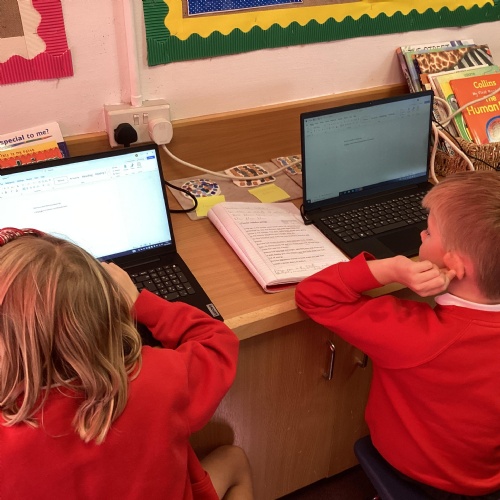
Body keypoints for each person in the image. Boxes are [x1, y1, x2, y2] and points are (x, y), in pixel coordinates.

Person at [0, 229, 253, 500]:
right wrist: (138, 301)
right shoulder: (160, 378)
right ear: (108, 312)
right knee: (234, 459)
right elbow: (217, 341)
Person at [295, 170, 500, 499]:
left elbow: (313, 296)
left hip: (420, 476)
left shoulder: (415, 334)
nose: (421, 233)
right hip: (486, 478)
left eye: (429, 232)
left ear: (455, 266)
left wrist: (390, 268)